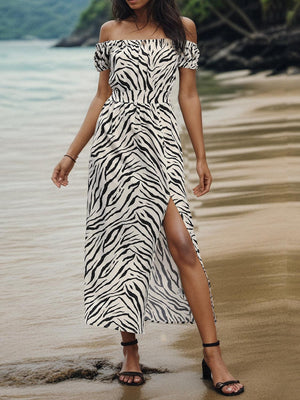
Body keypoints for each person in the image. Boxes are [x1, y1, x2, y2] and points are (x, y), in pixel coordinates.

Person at [51, 0, 244, 396]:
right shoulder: (109, 31)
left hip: (161, 145)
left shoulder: (183, 28)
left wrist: (202, 156)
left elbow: (187, 95)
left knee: (183, 244)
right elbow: (102, 97)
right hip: (115, 149)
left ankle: (213, 357)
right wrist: (71, 154)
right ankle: (130, 352)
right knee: (124, 248)